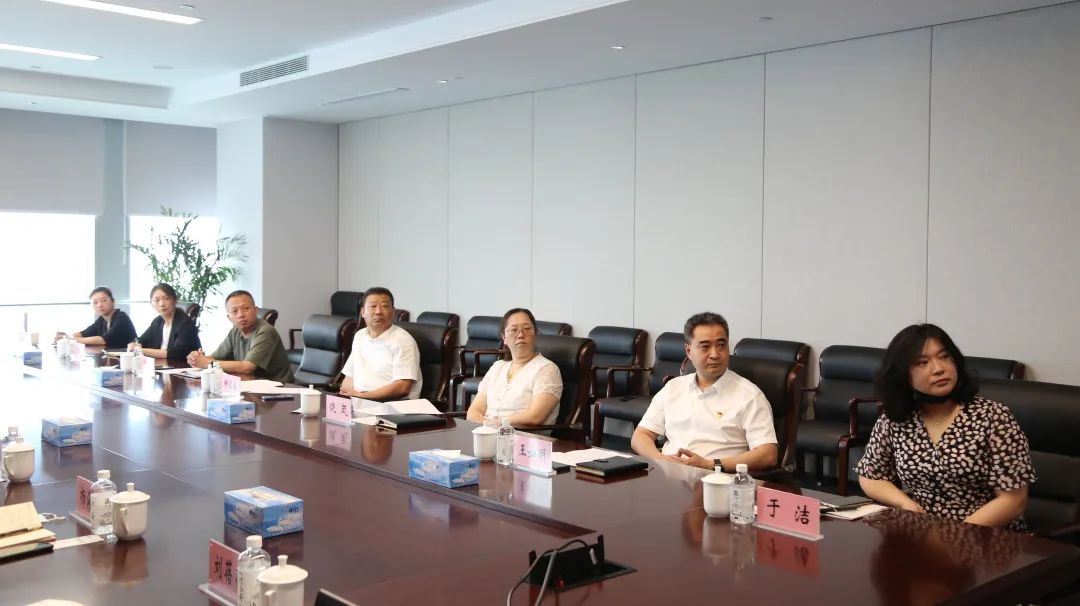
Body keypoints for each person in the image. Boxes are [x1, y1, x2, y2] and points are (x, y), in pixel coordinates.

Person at [856, 324, 1036, 531]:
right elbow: (870, 475)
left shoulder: (993, 417)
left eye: (944, 357)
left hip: (984, 535)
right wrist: (906, 504)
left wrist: (955, 536)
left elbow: (1013, 501)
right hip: (922, 532)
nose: (939, 369)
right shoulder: (896, 418)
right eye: (922, 362)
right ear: (902, 375)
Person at [631, 312, 777, 471]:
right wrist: (662, 460)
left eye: (721, 345)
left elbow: (768, 455)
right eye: (705, 347)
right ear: (688, 351)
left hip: (717, 478)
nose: (715, 354)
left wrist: (710, 464)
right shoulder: (673, 388)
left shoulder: (749, 395)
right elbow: (641, 436)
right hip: (668, 475)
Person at [465, 308, 563, 426]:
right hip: (487, 432)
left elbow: (535, 417)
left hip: (522, 435)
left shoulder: (547, 369)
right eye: (514, 330)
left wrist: (493, 424)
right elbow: (473, 412)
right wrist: (486, 426)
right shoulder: (497, 367)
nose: (521, 335)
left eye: (527, 329)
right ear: (504, 337)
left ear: (535, 334)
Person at [185, 290, 294, 383]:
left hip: (279, 388)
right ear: (229, 317)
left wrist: (208, 363)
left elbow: (247, 367)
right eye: (235, 311)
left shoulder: (265, 331)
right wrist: (197, 358)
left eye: (246, 308)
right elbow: (215, 357)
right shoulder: (235, 331)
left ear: (256, 310)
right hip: (251, 384)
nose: (241, 315)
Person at [339, 287, 422, 402]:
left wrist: (362, 397)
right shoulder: (360, 336)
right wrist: (350, 395)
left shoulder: (403, 341)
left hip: (391, 404)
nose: (378, 312)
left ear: (393, 312)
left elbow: (402, 388)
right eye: (373, 306)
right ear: (362, 312)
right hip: (360, 401)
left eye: (385, 306)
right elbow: (350, 376)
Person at [129, 283, 200, 360]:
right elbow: (141, 340)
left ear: (175, 301)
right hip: (161, 364)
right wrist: (135, 344)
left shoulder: (185, 324)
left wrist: (141, 351)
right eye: (157, 300)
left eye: (166, 298)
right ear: (151, 303)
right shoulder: (157, 322)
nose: (162, 304)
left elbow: (176, 353)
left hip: (182, 365)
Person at [55, 286, 137, 349]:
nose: (99, 305)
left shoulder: (121, 318)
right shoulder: (102, 319)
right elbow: (83, 334)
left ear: (113, 301)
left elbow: (103, 340)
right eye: (95, 302)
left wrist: (69, 340)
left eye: (104, 300)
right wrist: (66, 337)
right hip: (111, 359)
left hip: (127, 360)